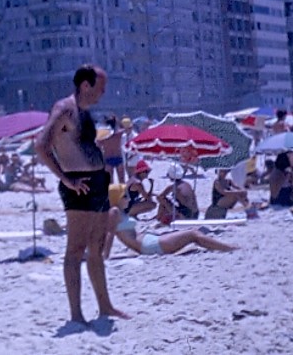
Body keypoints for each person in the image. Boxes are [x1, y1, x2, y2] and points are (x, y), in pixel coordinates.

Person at [35, 64, 128, 324]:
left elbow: (79, 145)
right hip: (79, 186)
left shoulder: (84, 113)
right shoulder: (64, 108)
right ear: (85, 85)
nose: (103, 93)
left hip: (97, 183)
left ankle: (105, 306)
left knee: (96, 248)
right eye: (100, 87)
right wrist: (65, 178)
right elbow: (41, 145)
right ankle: (76, 314)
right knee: (75, 250)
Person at [105, 192, 236, 258]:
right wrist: (105, 255)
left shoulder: (119, 212)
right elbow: (110, 233)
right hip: (149, 246)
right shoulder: (115, 212)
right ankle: (229, 248)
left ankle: (224, 247)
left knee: (192, 232)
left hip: (148, 241)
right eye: (125, 196)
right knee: (193, 234)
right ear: (116, 197)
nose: (129, 199)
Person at [98, 115, 126, 184]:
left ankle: (111, 194)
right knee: (122, 180)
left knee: (110, 181)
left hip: (108, 158)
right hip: (118, 157)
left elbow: (98, 145)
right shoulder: (119, 134)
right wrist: (117, 120)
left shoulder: (103, 136)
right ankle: (123, 194)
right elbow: (125, 128)